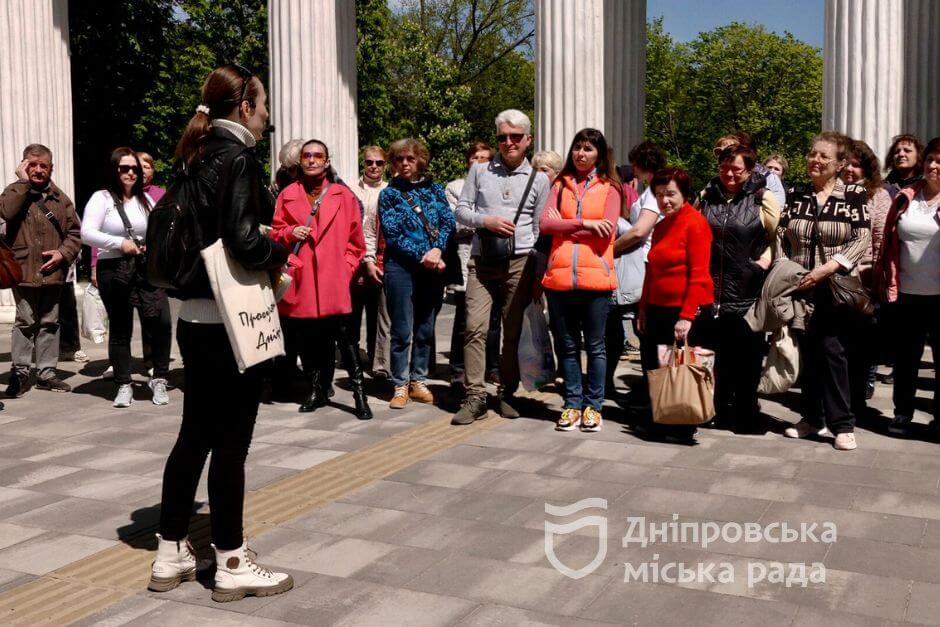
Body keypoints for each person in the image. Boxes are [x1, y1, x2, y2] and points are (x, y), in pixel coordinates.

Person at [150, 64, 293, 601]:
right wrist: (278, 250)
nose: (268, 115)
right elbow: (239, 238)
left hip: (192, 316)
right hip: (232, 323)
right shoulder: (238, 156)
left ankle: (169, 553)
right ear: (246, 108)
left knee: (194, 437)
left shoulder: (195, 154)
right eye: (263, 104)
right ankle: (231, 560)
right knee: (232, 444)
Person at [451, 109, 550, 425]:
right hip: (481, 261)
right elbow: (462, 211)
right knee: (474, 328)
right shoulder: (479, 172)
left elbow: (539, 227)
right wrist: (486, 221)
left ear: (528, 140)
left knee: (512, 330)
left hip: (519, 262)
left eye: (515, 137)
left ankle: (507, 391)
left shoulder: (540, 178)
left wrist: (533, 265)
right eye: (502, 137)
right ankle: (475, 396)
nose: (509, 142)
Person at [780, 131, 871, 451]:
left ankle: (843, 424)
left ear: (840, 164)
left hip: (834, 288)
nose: (815, 160)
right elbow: (782, 233)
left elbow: (861, 238)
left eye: (823, 156)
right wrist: (782, 268)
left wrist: (827, 268)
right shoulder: (797, 192)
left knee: (833, 352)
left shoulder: (854, 194)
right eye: (812, 154)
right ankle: (811, 418)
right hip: (801, 286)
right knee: (809, 353)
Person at [270, 139, 370, 419]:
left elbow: (356, 242)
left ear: (327, 161)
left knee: (345, 339)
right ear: (300, 161)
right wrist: (290, 233)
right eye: (307, 155)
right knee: (307, 339)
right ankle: (316, 389)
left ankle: (360, 395)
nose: (312, 160)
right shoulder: (287, 194)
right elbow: (275, 233)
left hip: (333, 279)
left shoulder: (342, 195)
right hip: (302, 277)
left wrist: (345, 268)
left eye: (318, 156)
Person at [539, 128, 622, 432]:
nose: (581, 154)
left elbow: (608, 229)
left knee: (596, 346)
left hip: (595, 279)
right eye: (577, 148)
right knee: (568, 345)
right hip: (560, 279)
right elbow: (545, 224)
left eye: (588, 149)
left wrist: (565, 227)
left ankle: (593, 406)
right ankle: (572, 403)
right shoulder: (560, 185)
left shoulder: (610, 187)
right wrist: (584, 222)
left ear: (599, 153)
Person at [696, 143, 780, 432]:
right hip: (710, 291)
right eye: (724, 168)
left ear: (749, 170)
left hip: (746, 291)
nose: (729, 174)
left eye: (736, 169)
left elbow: (777, 237)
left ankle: (745, 413)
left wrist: (762, 264)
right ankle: (710, 409)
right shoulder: (706, 196)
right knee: (712, 355)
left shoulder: (762, 198)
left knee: (746, 358)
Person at [81, 147, 172, 407]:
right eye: (125, 168)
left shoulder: (148, 200)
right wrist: (119, 243)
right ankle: (123, 384)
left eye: (135, 168)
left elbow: (161, 230)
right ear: (114, 170)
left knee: (160, 322)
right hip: (115, 269)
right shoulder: (102, 198)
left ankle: (160, 379)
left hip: (145, 268)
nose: (132, 173)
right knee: (121, 329)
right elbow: (87, 233)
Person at [638, 168, 714, 443]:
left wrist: (686, 316)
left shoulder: (695, 223)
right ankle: (662, 418)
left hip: (681, 310)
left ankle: (683, 424)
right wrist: (643, 307)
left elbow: (699, 274)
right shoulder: (660, 226)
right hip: (657, 307)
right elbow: (652, 269)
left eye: (670, 194)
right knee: (658, 369)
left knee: (682, 368)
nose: (664, 200)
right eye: (659, 195)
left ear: (684, 194)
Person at [378, 138, 455, 409]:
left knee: (425, 327)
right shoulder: (389, 193)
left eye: (410, 158)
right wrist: (424, 256)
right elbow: (393, 233)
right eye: (399, 159)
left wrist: (437, 250)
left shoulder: (435, 189)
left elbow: (447, 221)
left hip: (432, 267)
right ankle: (399, 384)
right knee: (401, 328)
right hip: (401, 267)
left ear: (421, 159)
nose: (405, 164)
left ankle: (418, 379)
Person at [1, 143, 82, 397]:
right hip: (23, 270)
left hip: (52, 273)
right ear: (23, 166)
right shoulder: (14, 192)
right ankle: (21, 372)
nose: (38, 170)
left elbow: (75, 233)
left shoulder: (60, 198)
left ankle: (47, 373)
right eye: (32, 165)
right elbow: (6, 211)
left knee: (50, 323)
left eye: (43, 165)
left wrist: (63, 253)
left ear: (51, 168)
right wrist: (22, 183)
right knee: (25, 321)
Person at [878, 136, 940, 437]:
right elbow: (889, 242)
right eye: (930, 160)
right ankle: (902, 413)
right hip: (906, 294)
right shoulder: (905, 197)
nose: (933, 166)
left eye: (939, 161)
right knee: (906, 360)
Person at [445, 142, 501, 397]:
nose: (479, 162)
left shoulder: (499, 184)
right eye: (475, 158)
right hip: (465, 259)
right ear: (467, 161)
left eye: (485, 158)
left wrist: (475, 221)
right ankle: (458, 368)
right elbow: (455, 224)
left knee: (493, 320)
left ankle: (492, 366)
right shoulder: (456, 187)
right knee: (464, 320)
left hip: (496, 259)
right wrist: (486, 223)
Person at [842, 139, 892, 403]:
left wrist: (870, 272)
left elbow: (880, 238)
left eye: (856, 165)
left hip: (863, 279)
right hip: (834, 276)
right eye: (846, 163)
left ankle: (858, 394)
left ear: (867, 168)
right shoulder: (835, 191)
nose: (850, 169)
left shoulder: (878, 195)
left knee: (861, 344)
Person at [351, 146, 392, 377]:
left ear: (385, 165)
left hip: (380, 257)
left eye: (378, 163)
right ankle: (353, 356)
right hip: (356, 255)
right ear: (363, 164)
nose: (374, 167)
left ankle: (377, 359)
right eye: (369, 162)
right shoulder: (350, 189)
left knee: (378, 310)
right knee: (354, 311)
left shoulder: (390, 190)